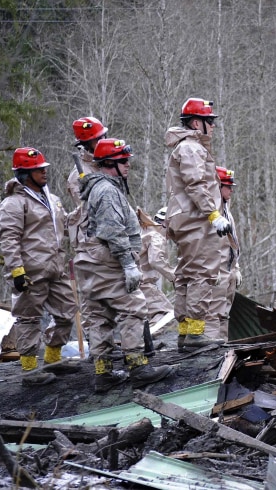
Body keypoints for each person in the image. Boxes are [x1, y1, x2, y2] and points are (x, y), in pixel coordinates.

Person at [76, 138, 173, 393]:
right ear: (109, 164)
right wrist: (129, 264)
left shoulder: (99, 188)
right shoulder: (107, 192)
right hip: (107, 257)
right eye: (123, 161)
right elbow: (114, 232)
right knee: (133, 307)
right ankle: (138, 366)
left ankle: (103, 372)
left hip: (91, 258)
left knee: (99, 315)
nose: (128, 165)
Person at [0, 147, 80, 386]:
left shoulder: (52, 200)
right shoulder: (14, 204)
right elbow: (9, 239)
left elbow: (61, 231)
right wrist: (17, 271)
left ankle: (53, 359)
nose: (44, 172)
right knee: (29, 319)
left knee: (66, 310)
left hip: (55, 267)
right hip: (30, 271)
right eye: (38, 169)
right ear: (24, 174)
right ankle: (30, 370)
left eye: (43, 168)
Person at [164, 98, 231, 350]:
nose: (212, 126)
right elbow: (196, 184)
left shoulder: (187, 147)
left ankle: (186, 332)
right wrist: (213, 215)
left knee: (186, 274)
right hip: (196, 218)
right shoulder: (191, 148)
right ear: (196, 123)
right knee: (202, 273)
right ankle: (195, 334)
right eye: (209, 121)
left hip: (186, 218)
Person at [67, 117, 109, 334]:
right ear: (87, 144)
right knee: (94, 304)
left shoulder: (106, 166)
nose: (103, 141)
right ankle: (98, 354)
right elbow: (90, 210)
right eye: (98, 139)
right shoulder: (79, 175)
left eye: (104, 136)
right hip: (91, 245)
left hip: (109, 243)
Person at [207, 166, 241, 342]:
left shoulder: (226, 210)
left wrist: (236, 268)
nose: (231, 190)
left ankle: (223, 352)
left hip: (228, 270)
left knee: (224, 314)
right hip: (217, 270)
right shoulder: (211, 212)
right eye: (227, 186)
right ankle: (213, 353)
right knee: (214, 313)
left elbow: (232, 241)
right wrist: (213, 269)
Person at [136, 207, 175, 330]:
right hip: (143, 285)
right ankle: (145, 343)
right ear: (166, 224)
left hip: (131, 285)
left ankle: (137, 343)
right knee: (166, 314)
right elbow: (156, 260)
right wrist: (174, 276)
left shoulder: (143, 233)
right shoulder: (156, 236)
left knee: (137, 319)